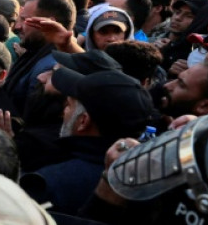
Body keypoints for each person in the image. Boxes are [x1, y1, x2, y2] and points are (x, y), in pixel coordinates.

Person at [20, 68, 155, 215]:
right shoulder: (151, 188)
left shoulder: (46, 183)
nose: (63, 111)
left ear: (83, 121)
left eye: (69, 105)